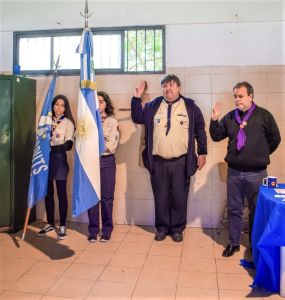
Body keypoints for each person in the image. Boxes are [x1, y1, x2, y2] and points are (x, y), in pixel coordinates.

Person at [131, 74, 207, 242]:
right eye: (165, 85)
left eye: (171, 85)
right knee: (161, 196)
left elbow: (200, 129)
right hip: (158, 161)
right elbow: (137, 117)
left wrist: (202, 152)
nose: (168, 88)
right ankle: (162, 228)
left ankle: (178, 229)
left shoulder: (190, 107)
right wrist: (136, 98)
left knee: (179, 197)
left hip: (181, 161)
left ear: (179, 88)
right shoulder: (152, 106)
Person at [210, 81, 281, 257]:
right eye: (235, 96)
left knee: (256, 210)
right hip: (234, 172)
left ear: (251, 96)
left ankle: (254, 244)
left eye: (240, 96)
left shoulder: (264, 116)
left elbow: (275, 139)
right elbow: (217, 136)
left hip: (257, 173)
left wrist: (260, 154)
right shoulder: (230, 117)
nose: (237, 100)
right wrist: (214, 120)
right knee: (234, 209)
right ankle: (234, 243)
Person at [38, 94, 75, 240]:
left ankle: (63, 225)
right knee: (48, 193)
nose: (59, 107)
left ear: (65, 108)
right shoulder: (45, 121)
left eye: (62, 105)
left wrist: (55, 148)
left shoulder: (68, 123)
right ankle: (51, 223)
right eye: (56, 104)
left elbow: (69, 145)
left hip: (59, 160)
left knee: (61, 194)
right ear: (52, 106)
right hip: (46, 160)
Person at [87, 91, 119, 242]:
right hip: (90, 162)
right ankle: (93, 230)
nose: (98, 104)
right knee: (92, 197)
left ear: (106, 104)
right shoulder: (87, 121)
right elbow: (79, 140)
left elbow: (111, 145)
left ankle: (106, 230)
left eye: (101, 101)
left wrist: (94, 146)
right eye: (96, 101)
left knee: (107, 197)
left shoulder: (112, 122)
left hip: (106, 162)